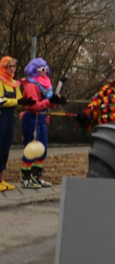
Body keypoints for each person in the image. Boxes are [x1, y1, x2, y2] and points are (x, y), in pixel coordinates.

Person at [19, 58, 65, 189]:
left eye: (45, 67)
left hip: (42, 119)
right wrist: (49, 102)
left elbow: (48, 103)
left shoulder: (46, 85)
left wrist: (56, 101)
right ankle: (26, 177)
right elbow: (34, 106)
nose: (45, 70)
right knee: (31, 149)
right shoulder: (31, 85)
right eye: (41, 68)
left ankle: (36, 176)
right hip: (32, 119)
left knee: (42, 149)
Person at [0, 56, 23, 192]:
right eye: (10, 67)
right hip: (1, 116)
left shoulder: (14, 83)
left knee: (5, 147)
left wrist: (25, 103)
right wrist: (17, 102)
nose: (12, 69)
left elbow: (19, 99)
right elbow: (1, 100)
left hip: (9, 118)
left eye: (14, 66)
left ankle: (1, 179)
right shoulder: (1, 82)